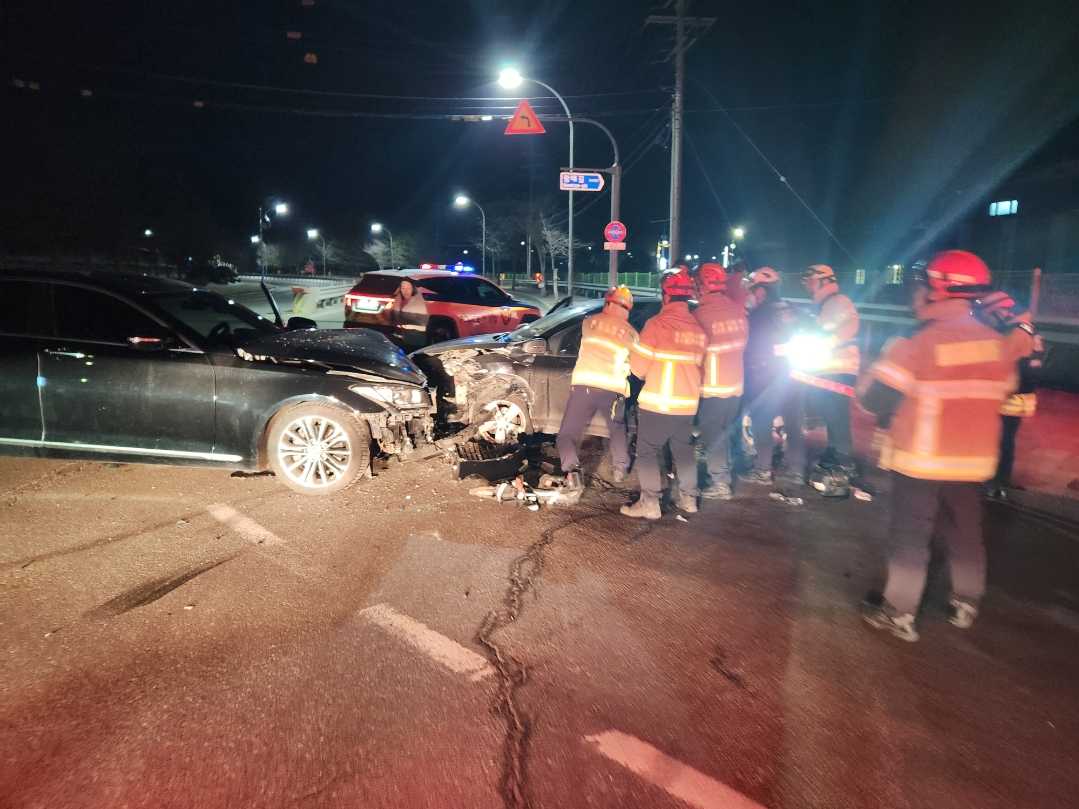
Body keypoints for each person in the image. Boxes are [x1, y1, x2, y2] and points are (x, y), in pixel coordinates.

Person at [858, 250, 1034, 642]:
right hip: (973, 462)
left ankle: (899, 612)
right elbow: (1006, 392)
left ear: (937, 289)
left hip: (921, 460)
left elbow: (874, 400)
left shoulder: (916, 344)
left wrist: (876, 365)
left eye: (921, 285)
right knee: (966, 531)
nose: (915, 292)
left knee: (910, 535)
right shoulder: (997, 346)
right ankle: (966, 601)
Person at [621, 267, 707, 520]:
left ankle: (650, 503)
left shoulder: (657, 325)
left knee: (647, 451)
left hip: (660, 403)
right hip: (687, 405)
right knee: (684, 451)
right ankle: (689, 500)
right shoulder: (698, 329)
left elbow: (638, 368)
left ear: (666, 295)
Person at [784, 264, 860, 491]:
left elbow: (830, 332)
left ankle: (843, 461)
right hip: (830, 370)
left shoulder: (837, 303)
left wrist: (806, 326)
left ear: (823, 281)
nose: (808, 286)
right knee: (831, 414)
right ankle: (837, 455)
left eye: (811, 281)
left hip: (839, 370)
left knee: (837, 415)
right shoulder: (826, 304)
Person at [555, 286, 639, 489]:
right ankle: (620, 469)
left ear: (607, 302)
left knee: (567, 433)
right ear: (628, 308)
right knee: (617, 429)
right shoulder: (632, 334)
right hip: (613, 388)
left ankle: (571, 470)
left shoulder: (589, 322)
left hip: (585, 385)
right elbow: (636, 365)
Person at [976, 290, 1045, 498]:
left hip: (1008, 396)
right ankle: (1000, 480)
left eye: (988, 316)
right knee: (1006, 439)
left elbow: (999, 365)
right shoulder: (1027, 327)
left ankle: (995, 482)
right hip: (1021, 395)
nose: (986, 321)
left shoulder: (1015, 334)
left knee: (1000, 440)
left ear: (1000, 312)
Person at [693, 263, 748, 499]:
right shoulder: (737, 311)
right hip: (736, 385)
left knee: (713, 434)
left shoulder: (701, 316)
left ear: (702, 286)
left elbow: (694, 352)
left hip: (714, 387)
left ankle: (720, 482)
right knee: (724, 432)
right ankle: (725, 471)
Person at [739, 267, 796, 484]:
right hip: (787, 374)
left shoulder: (759, 315)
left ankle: (763, 468)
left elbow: (750, 345)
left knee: (761, 421)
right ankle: (786, 462)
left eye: (752, 290)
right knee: (785, 418)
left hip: (761, 375)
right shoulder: (789, 310)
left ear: (761, 291)